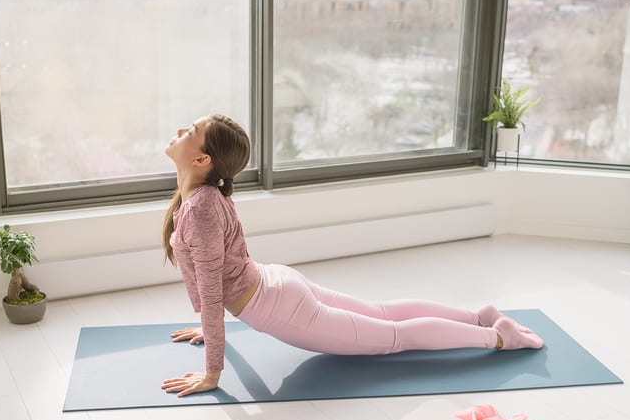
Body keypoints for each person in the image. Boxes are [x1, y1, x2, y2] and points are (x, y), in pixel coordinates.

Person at [160, 114, 544, 397]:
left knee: (395, 336)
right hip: (276, 284)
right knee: (382, 312)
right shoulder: (204, 199)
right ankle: (480, 316)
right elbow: (217, 276)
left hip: (280, 305)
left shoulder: (201, 208)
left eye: (190, 132)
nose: (180, 131)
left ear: (202, 161)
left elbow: (213, 290)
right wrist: (210, 328)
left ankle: (496, 337)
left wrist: (213, 372)